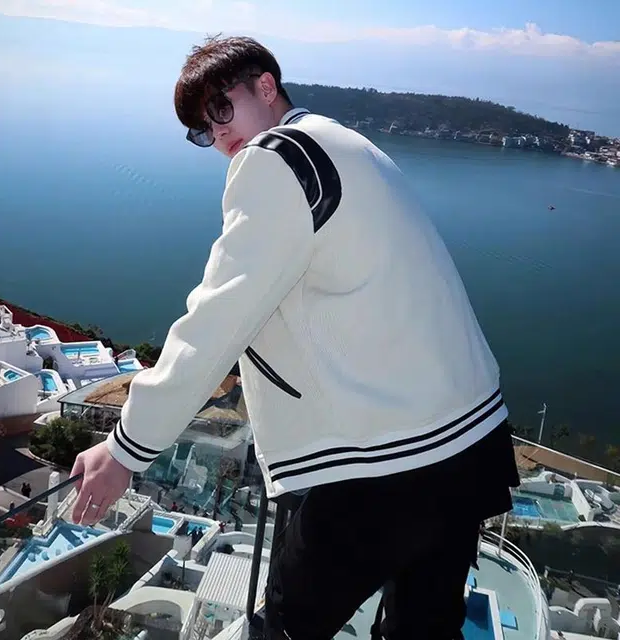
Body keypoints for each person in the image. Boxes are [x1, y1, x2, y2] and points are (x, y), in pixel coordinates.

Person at [70, 35, 520, 639]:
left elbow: (217, 319)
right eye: (202, 129)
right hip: (469, 446)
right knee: (426, 629)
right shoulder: (346, 142)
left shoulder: (275, 158)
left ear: (266, 87)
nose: (217, 133)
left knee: (284, 631)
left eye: (221, 108)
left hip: (382, 468)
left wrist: (126, 449)